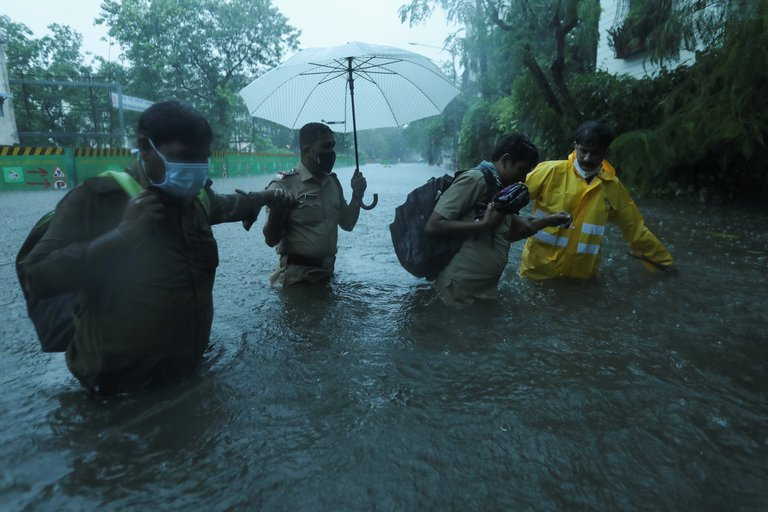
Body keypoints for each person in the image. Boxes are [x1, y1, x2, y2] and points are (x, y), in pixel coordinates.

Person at [17, 101, 293, 394]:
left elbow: (233, 205)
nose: (195, 169)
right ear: (145, 148)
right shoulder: (97, 199)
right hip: (117, 392)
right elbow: (36, 277)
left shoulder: (196, 199)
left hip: (186, 375)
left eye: (203, 158)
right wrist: (122, 236)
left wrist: (269, 195)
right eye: (184, 157)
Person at [425, 133, 571, 305]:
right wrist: (483, 225)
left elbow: (517, 229)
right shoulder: (475, 180)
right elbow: (433, 225)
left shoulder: (500, 190)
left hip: (484, 289)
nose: (523, 179)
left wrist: (551, 220)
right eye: (522, 170)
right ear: (506, 160)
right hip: (459, 287)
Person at [519, 120, 674, 280]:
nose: (587, 158)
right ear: (575, 146)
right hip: (537, 272)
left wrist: (665, 263)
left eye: (595, 153)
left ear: (605, 152)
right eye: (583, 151)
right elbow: (510, 201)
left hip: (581, 278)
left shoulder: (613, 187)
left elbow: (635, 229)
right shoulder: (550, 171)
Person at [263, 122, 368, 286]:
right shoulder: (284, 185)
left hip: (327, 276)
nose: (331, 152)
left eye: (333, 146)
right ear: (306, 150)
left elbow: (348, 223)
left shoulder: (333, 183)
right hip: (296, 280)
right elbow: (270, 239)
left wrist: (357, 194)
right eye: (326, 146)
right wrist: (277, 211)